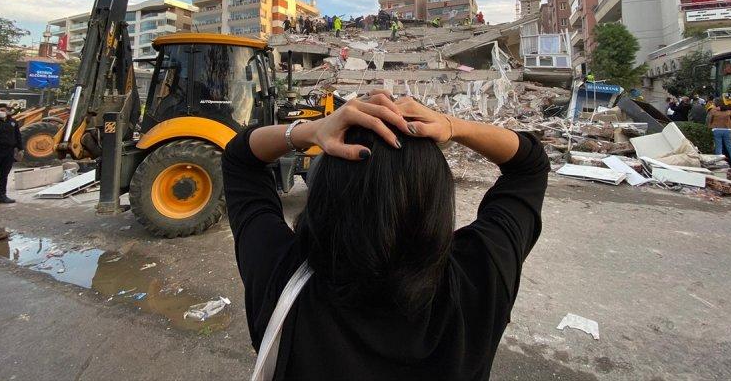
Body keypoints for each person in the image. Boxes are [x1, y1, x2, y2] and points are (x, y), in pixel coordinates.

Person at [222, 93, 549, 380]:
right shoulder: (479, 277)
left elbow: (240, 158)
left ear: (323, 194)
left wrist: (313, 130)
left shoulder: (281, 279)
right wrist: (452, 126)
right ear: (435, 198)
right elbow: (529, 165)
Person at [706, 100, 731, 170]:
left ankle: (719, 162)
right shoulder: (728, 111)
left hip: (716, 129)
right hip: (727, 130)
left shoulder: (713, 111)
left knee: (718, 147)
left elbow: (710, 120)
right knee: (730, 147)